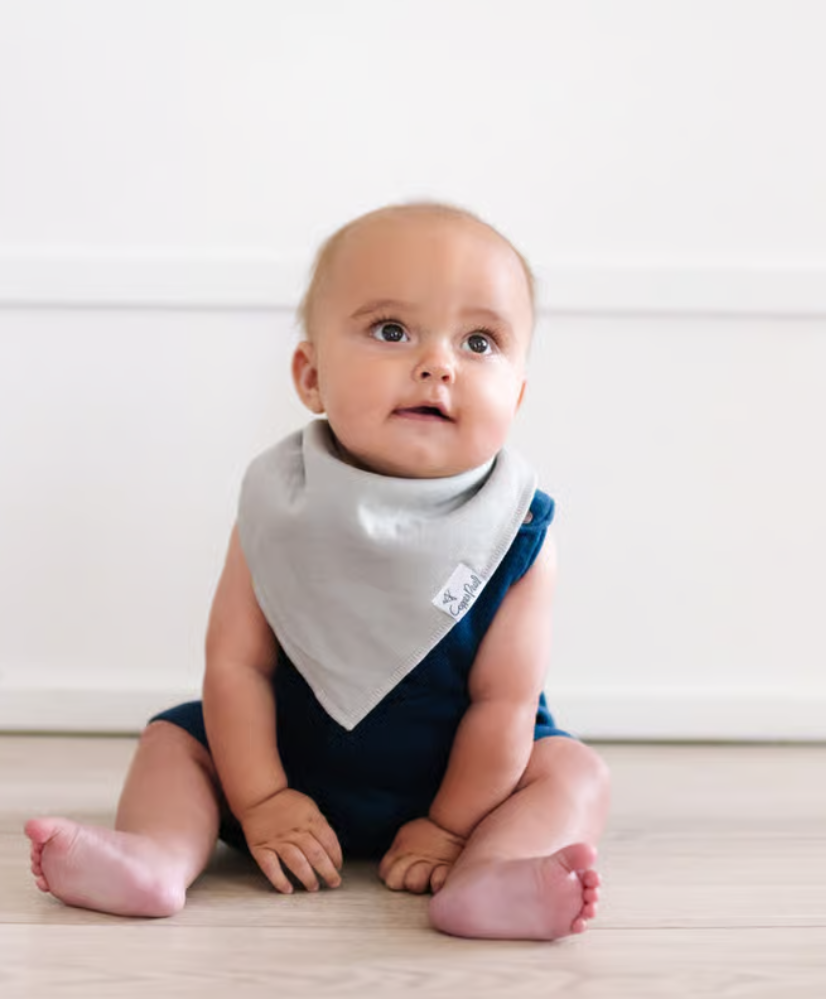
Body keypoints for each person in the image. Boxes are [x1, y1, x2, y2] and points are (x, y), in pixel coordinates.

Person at [25, 202, 610, 941]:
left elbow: (504, 704)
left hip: (465, 782)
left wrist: (452, 827)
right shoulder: (279, 504)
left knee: (574, 772)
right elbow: (234, 666)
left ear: (517, 395)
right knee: (173, 743)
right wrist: (262, 797)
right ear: (311, 376)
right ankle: (159, 857)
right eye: (392, 331)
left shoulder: (517, 528)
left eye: (480, 340)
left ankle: (490, 874)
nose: (439, 362)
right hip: (282, 762)